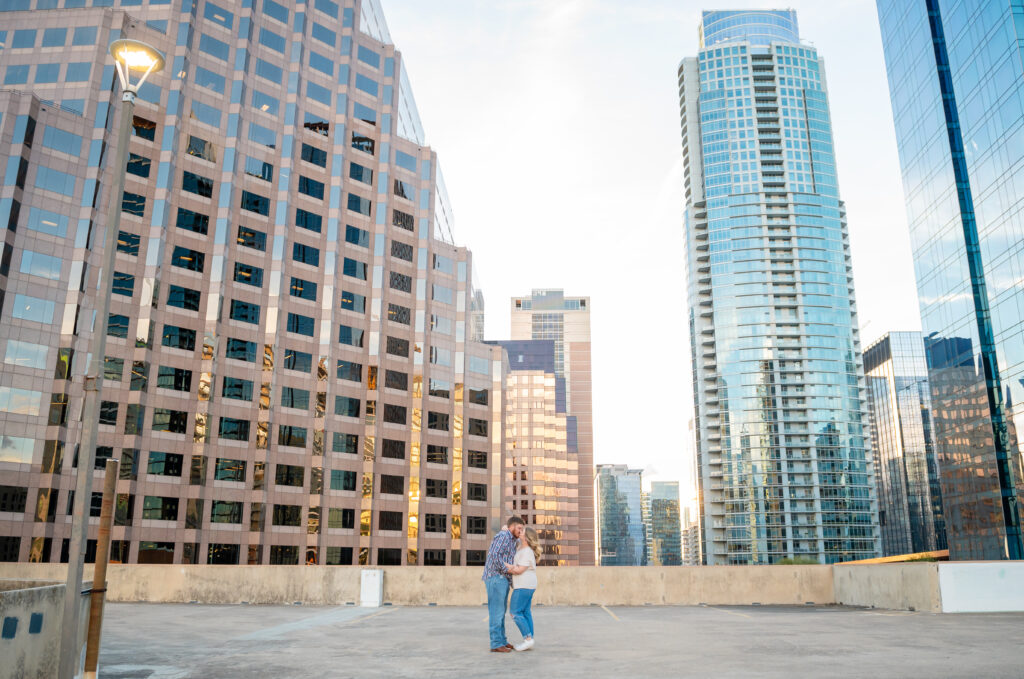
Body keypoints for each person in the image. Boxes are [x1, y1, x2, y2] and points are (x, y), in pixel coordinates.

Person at [482, 516, 525, 653]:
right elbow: (494, 556)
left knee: (501, 612)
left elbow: (524, 539)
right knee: (497, 612)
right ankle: (496, 643)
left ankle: (501, 640)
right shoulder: (503, 536)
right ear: (511, 526)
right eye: (519, 528)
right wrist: (508, 569)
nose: (521, 531)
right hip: (496, 577)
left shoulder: (512, 539)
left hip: (502, 579)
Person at [506, 527, 540, 651]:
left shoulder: (527, 552)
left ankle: (528, 639)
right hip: (527, 585)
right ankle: (530, 639)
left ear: (527, 537)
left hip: (524, 586)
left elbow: (519, 570)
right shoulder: (521, 547)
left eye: (523, 531)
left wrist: (504, 565)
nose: (520, 531)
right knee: (525, 612)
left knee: (515, 612)